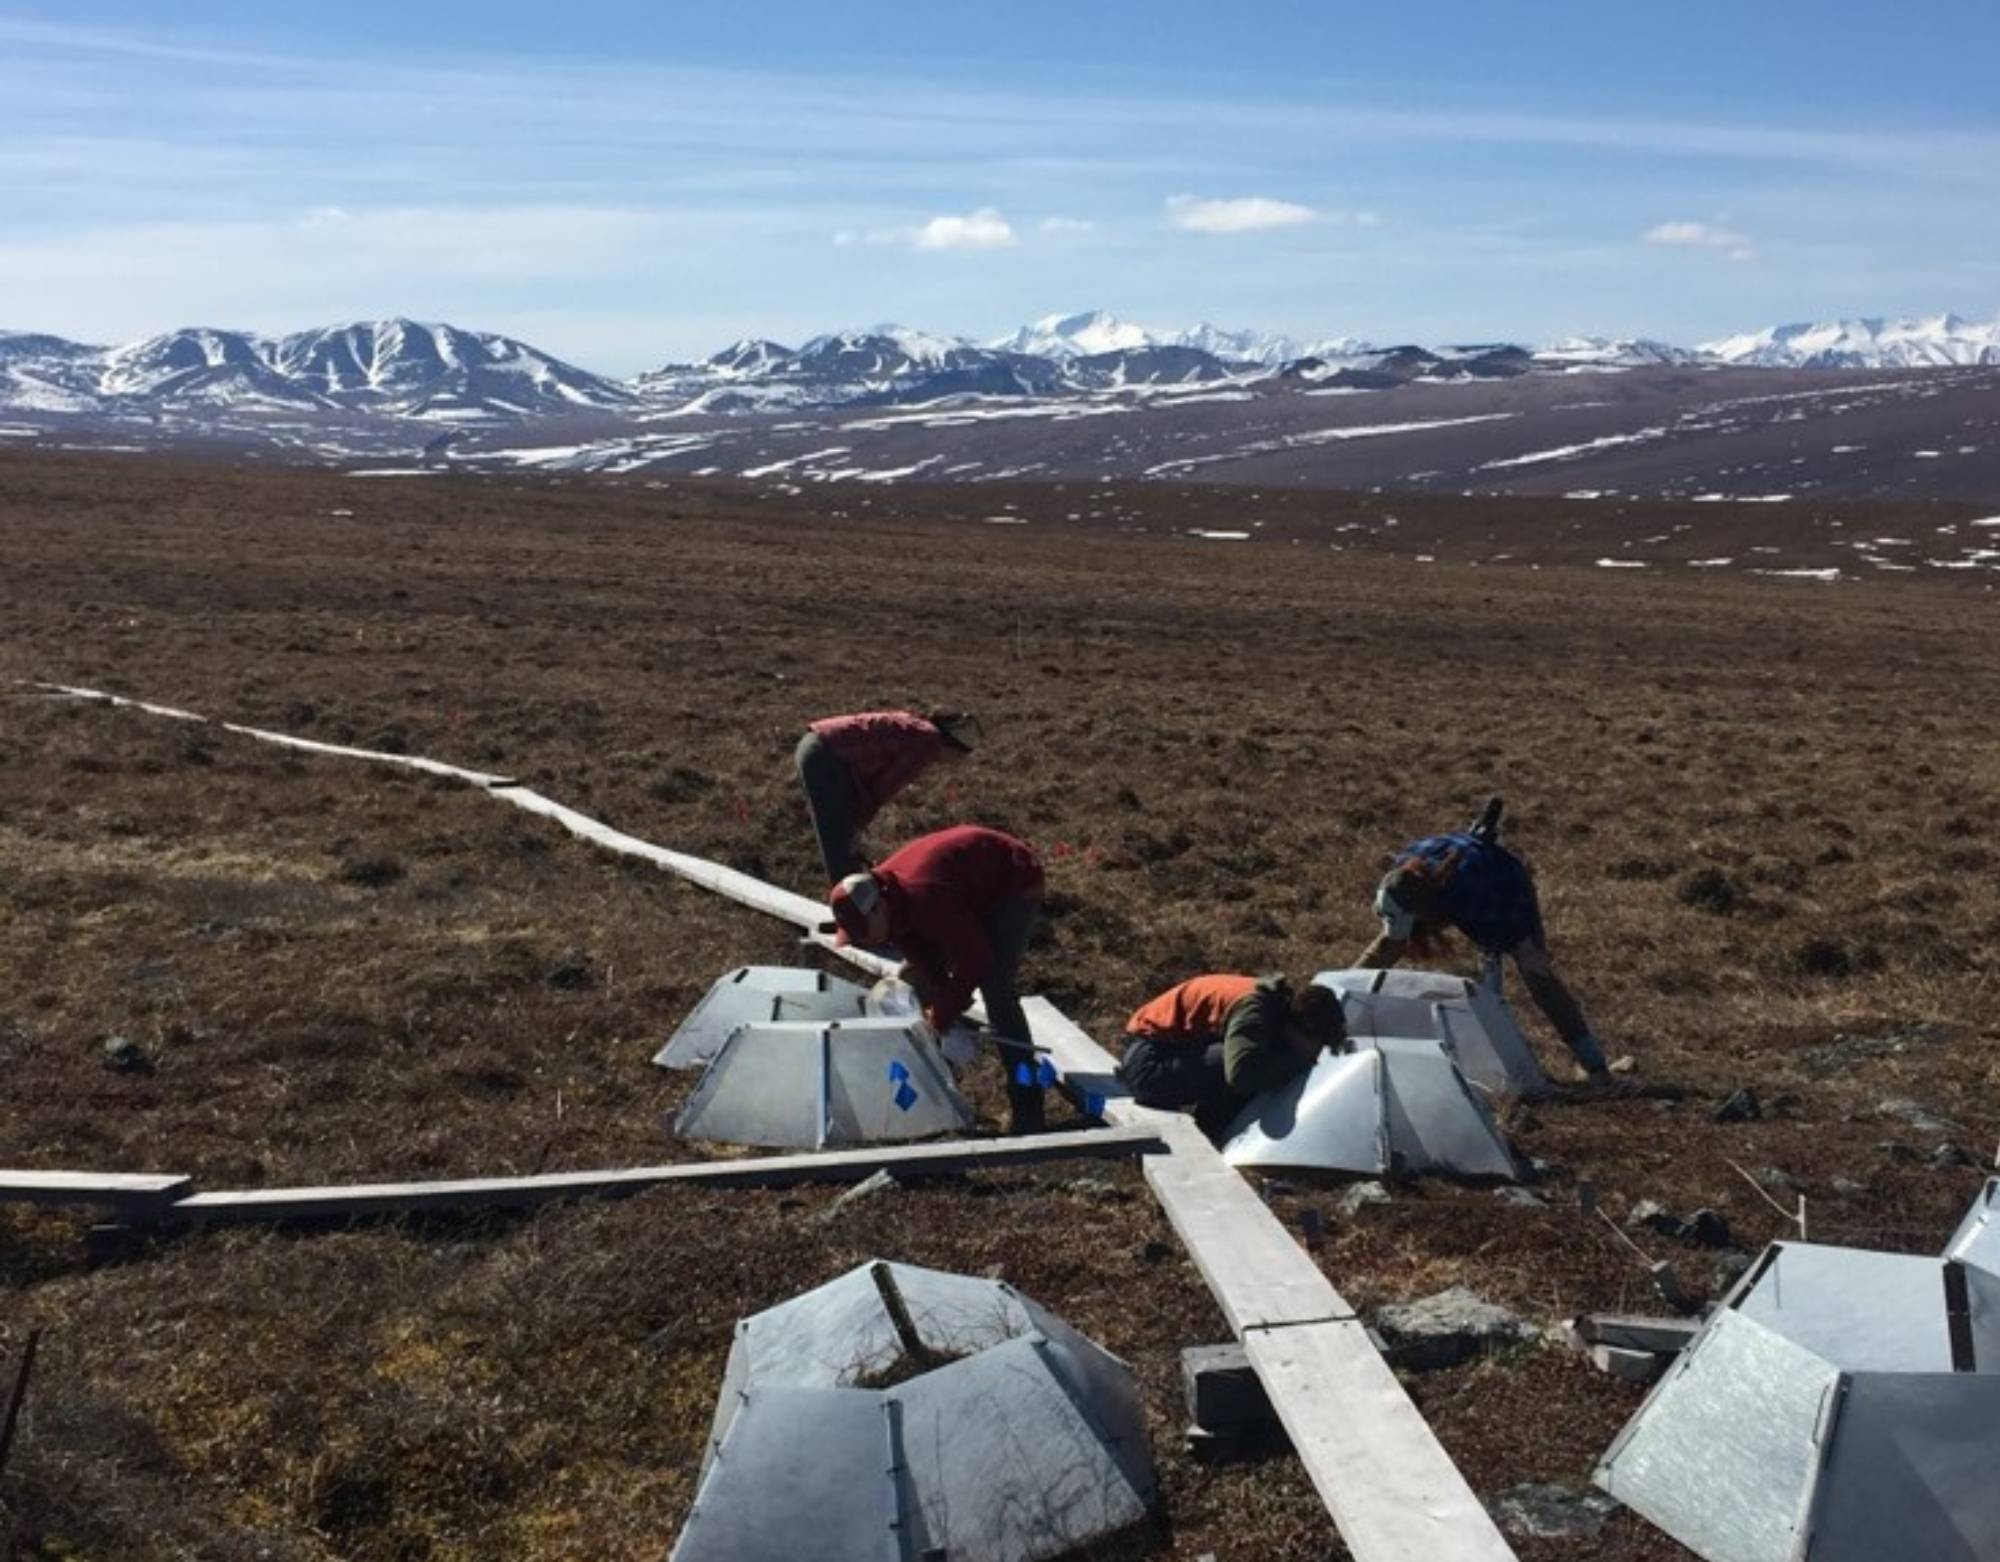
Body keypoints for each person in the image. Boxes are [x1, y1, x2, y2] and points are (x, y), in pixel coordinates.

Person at [1354, 798, 1614, 1082]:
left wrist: (1490, 1002)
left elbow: (1494, 946)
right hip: (1463, 867)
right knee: (1394, 945)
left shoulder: (1473, 896)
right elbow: (1388, 946)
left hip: (1503, 883)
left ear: (1429, 911)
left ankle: (1593, 1064)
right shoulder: (1402, 878)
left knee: (1537, 975)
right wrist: (1341, 992)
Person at [824, 824, 1046, 1132]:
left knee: (996, 988)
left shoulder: (924, 896)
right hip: (965, 890)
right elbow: (922, 959)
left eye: (863, 932)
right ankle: (936, 1101)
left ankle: (1028, 1106)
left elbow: (976, 957)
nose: (865, 941)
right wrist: (944, 1004)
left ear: (877, 909)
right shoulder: (893, 907)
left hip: (1012, 879)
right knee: (915, 981)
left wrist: (942, 1014)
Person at [1118, 974, 1347, 1139]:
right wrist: (1295, 1062)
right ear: (1302, 1028)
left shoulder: (1276, 1009)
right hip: (1146, 1062)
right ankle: (1209, 1135)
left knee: (1260, 1060)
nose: (1317, 1054)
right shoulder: (1255, 1010)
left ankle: (1209, 1131)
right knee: (1246, 1064)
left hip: (1165, 1052)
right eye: (1318, 1044)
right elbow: (1241, 1075)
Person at [795, 709, 980, 883]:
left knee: (843, 834)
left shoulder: (921, 728)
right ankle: (849, 904)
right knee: (839, 841)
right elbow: (885, 785)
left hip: (821, 745)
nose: (954, 764)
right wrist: (860, 822)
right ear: (955, 747)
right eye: (960, 758)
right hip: (826, 756)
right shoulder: (928, 742)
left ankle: (854, 892)